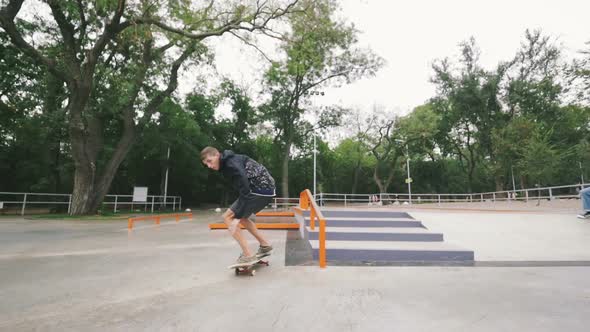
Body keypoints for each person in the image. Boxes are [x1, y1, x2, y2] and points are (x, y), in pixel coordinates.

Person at [201, 147, 275, 265]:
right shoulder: (229, 161)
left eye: (210, 161)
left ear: (216, 155)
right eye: (206, 164)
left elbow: (245, 186)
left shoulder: (231, 164)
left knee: (227, 217)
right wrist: (240, 215)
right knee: (243, 219)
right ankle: (265, 245)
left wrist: (237, 216)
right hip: (266, 190)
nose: (209, 166)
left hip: (259, 189)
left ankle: (247, 255)